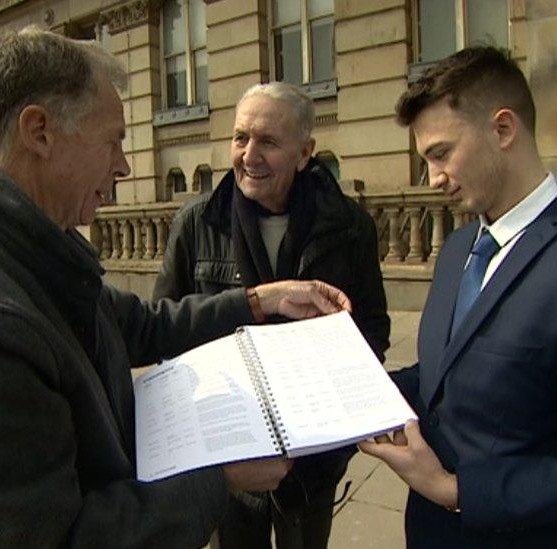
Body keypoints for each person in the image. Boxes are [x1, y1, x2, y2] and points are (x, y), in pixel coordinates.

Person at [0, 28, 352, 548]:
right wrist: (222, 476)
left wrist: (262, 298)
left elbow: (140, 323)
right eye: (113, 140)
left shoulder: (31, 253)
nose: (122, 165)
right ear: (40, 131)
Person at [357, 46, 557, 548]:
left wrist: (453, 490)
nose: (433, 179)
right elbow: (445, 377)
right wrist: (351, 393)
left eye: (440, 154)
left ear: (503, 130)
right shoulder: (459, 247)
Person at [152, 81, 389, 549]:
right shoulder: (197, 222)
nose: (249, 155)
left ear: (305, 153)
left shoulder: (349, 226)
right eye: (241, 138)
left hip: (314, 458)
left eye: (268, 142)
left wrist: (339, 403)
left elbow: (373, 330)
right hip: (230, 455)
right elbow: (165, 328)